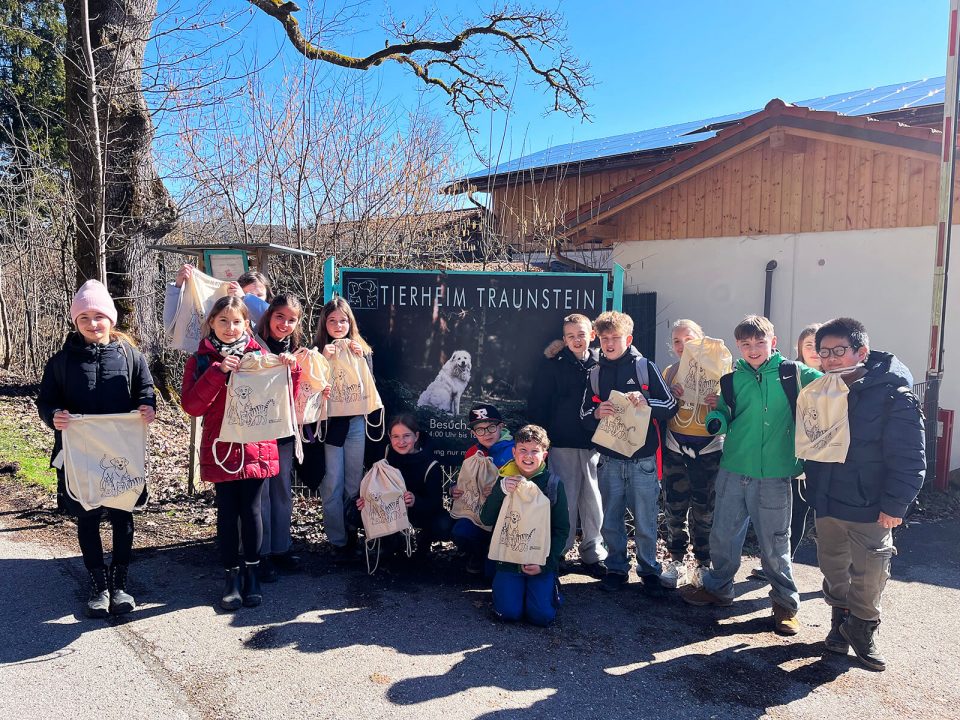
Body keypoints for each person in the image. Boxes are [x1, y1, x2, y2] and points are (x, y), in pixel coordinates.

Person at [680, 315, 820, 636]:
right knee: (724, 534)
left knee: (774, 542)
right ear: (739, 346)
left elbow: (834, 389)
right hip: (733, 468)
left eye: (759, 342)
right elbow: (725, 415)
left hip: (775, 473)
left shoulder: (794, 374)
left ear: (773, 342)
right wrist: (716, 419)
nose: (753, 348)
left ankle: (785, 604)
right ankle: (719, 588)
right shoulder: (730, 380)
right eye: (746, 344)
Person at [805, 318, 924, 671]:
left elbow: (910, 456)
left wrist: (896, 504)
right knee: (833, 569)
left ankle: (863, 628)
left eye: (839, 351)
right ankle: (839, 625)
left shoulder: (893, 394)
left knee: (871, 576)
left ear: (862, 352)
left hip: (871, 507)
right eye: (823, 352)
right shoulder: (822, 390)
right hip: (827, 501)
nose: (830, 359)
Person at [37, 280, 156, 618]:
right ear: (75, 322)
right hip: (78, 456)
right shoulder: (60, 362)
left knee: (123, 515)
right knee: (87, 518)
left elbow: (146, 391)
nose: (93, 323)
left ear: (112, 319)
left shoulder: (131, 356)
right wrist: (53, 416)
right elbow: (46, 401)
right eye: (84, 317)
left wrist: (148, 407)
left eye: (99, 316)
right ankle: (98, 585)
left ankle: (120, 584)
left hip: (121, 455)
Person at [182, 296, 299, 611]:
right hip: (222, 448)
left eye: (236, 322)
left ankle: (252, 573)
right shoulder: (201, 359)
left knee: (252, 511)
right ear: (211, 324)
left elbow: (287, 403)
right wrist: (218, 373)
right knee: (227, 513)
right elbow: (192, 406)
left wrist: (293, 372)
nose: (230, 328)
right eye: (223, 321)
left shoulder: (262, 355)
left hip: (256, 446)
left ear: (247, 324)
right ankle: (231, 576)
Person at [579, 311, 678, 596]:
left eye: (616, 338)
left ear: (629, 339)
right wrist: (597, 411)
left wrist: (645, 401)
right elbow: (583, 414)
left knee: (646, 519)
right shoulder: (595, 373)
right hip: (609, 460)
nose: (609, 344)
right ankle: (616, 569)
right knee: (611, 519)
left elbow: (670, 406)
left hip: (643, 462)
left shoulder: (645, 367)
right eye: (605, 338)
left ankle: (648, 571)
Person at [527, 313, 606, 577]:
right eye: (571, 336)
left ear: (592, 335)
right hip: (562, 442)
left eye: (581, 334)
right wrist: (543, 440)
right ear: (564, 339)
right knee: (565, 500)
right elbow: (539, 403)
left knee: (593, 499)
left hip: (595, 443)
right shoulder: (553, 365)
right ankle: (560, 551)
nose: (576, 340)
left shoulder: (601, 363)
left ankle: (593, 553)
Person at [751, 322, 822, 582]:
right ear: (799, 349)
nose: (815, 350)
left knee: (828, 518)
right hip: (796, 454)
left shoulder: (836, 378)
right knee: (794, 512)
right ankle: (781, 563)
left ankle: (835, 574)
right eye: (808, 345)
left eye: (819, 345)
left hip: (831, 457)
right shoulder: (790, 374)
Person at [479, 424, 569, 626]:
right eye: (523, 450)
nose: (528, 456)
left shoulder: (552, 484)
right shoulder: (504, 479)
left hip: (539, 562)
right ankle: (506, 589)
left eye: (535, 451)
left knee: (542, 617)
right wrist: (499, 491)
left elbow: (561, 529)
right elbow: (485, 519)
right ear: (514, 452)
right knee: (509, 613)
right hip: (508, 561)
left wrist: (546, 565)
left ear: (544, 455)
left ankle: (550, 584)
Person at [660, 319, 723, 588]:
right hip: (676, 447)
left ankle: (702, 563)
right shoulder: (670, 372)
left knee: (705, 510)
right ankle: (675, 559)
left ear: (701, 339)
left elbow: (731, 409)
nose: (682, 345)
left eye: (688, 339)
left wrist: (719, 402)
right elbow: (661, 411)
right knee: (674, 506)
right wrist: (670, 398)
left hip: (708, 450)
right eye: (676, 340)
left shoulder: (719, 369)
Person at [252, 294, 310, 581]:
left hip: (285, 428)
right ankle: (259, 554)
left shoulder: (296, 349)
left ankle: (281, 549)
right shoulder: (251, 343)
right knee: (260, 491)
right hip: (257, 429)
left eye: (291, 320)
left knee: (282, 489)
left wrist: (294, 368)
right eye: (280, 317)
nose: (284, 324)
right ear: (269, 315)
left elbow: (296, 393)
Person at [313, 297, 372, 556]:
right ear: (324, 324)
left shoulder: (362, 349)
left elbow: (369, 391)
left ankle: (353, 534)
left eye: (343, 320)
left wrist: (363, 361)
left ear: (351, 322)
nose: (338, 325)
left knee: (353, 483)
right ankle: (338, 541)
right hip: (330, 427)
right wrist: (322, 361)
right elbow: (309, 390)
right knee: (332, 484)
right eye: (332, 321)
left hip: (356, 423)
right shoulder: (315, 351)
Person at [356, 414, 452, 557]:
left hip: (418, 512)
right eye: (396, 436)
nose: (401, 441)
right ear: (390, 437)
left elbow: (435, 503)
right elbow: (371, 486)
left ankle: (423, 544)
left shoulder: (430, 464)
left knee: (443, 524)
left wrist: (416, 501)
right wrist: (364, 499)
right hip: (389, 510)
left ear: (416, 436)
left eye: (406, 436)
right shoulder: (385, 456)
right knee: (352, 510)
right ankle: (388, 542)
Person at [451, 403, 514, 575]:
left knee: (490, 576)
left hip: (505, 520)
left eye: (491, 427)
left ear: (501, 426)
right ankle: (478, 554)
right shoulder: (472, 452)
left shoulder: (515, 451)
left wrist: (499, 491)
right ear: (473, 433)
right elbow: (462, 479)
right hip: (477, 513)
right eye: (480, 430)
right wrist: (454, 488)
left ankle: (496, 560)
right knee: (461, 531)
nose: (486, 434)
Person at [162, 264, 273, 333]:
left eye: (259, 295)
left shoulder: (274, 321)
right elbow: (172, 327)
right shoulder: (219, 319)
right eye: (249, 294)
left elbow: (268, 316)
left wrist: (244, 298)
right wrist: (177, 287)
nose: (231, 328)